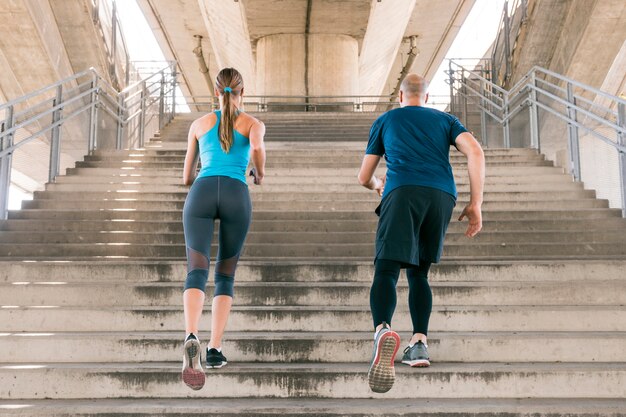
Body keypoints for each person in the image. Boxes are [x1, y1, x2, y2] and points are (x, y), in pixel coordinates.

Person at [358, 73, 485, 393]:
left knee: (386, 268)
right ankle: (418, 344)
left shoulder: (387, 119)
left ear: (400, 96)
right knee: (419, 273)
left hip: (401, 191)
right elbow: (476, 152)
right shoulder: (446, 120)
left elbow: (364, 176)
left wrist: (378, 186)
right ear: (427, 97)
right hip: (442, 195)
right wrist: (476, 204)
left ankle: (383, 331)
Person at [180, 67, 266, 390]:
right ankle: (214, 349)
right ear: (242, 92)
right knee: (225, 275)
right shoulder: (253, 124)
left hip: (201, 193)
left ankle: (191, 334)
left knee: (196, 270)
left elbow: (186, 176)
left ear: (216, 92)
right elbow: (256, 149)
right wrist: (258, 172)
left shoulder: (199, 125)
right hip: (235, 194)